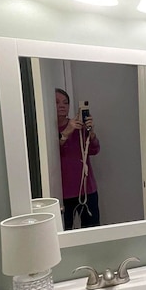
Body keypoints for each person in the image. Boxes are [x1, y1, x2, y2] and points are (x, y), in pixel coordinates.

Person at [55, 88, 101, 229]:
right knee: (64, 231)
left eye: (65, 102)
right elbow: (54, 154)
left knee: (92, 230)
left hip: (87, 188)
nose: (62, 105)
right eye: (57, 102)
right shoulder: (47, 129)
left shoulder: (78, 127)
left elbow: (94, 150)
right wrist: (66, 133)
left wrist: (91, 133)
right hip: (63, 192)